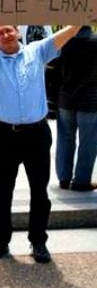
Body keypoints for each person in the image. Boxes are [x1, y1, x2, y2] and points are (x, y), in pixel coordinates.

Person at [0, 12, 81, 264]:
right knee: (3, 189)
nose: (5, 35)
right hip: (5, 134)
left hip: (37, 134)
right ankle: (0, 240)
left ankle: (38, 241)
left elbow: (69, 32)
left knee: (40, 190)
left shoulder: (36, 51)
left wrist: (84, 11)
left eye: (9, 30)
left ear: (17, 31)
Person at [55, 26, 97, 192]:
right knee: (88, 141)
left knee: (65, 138)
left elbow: (56, 69)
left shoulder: (63, 41)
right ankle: (81, 180)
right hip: (90, 99)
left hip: (66, 97)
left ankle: (64, 178)